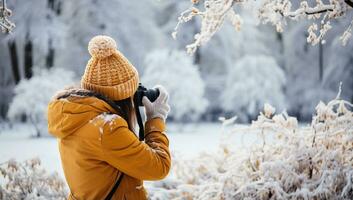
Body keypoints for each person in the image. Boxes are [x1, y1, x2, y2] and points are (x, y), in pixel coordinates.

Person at [47, 35, 171, 200]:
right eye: (132, 91)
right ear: (123, 95)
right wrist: (156, 118)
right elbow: (159, 167)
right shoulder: (107, 128)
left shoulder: (77, 115)